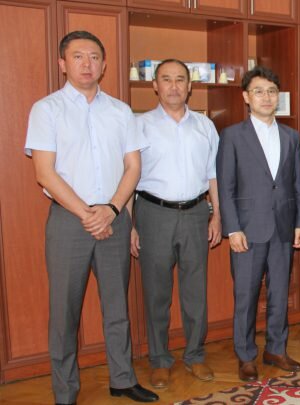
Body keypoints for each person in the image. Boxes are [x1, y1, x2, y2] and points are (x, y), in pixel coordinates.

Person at [24, 31, 158, 404]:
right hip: (70, 221)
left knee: (117, 306)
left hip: (114, 217)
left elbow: (133, 167)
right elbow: (44, 173)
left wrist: (111, 210)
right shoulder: (46, 109)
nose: (87, 64)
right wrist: (88, 214)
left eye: (95, 57)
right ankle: (65, 391)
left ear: (104, 64)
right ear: (62, 64)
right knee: (64, 311)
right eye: (78, 56)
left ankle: (122, 379)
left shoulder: (120, 111)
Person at [130, 59, 222, 389]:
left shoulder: (205, 126)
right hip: (154, 214)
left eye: (180, 79)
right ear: (155, 86)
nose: (173, 86)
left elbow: (213, 174)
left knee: (195, 291)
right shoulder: (138, 125)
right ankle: (159, 360)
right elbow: (129, 176)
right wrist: (130, 225)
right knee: (157, 292)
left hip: (196, 212)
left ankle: (195, 355)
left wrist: (217, 215)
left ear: (190, 86)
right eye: (166, 79)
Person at [217, 66, 300, 381]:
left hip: (283, 228)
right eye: (258, 91)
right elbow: (225, 187)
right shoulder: (232, 136)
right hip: (247, 230)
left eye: (271, 91)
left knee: (279, 293)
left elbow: (299, 184)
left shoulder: (291, 136)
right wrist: (232, 228)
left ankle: (276, 349)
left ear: (278, 97)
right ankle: (246, 356)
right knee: (246, 296)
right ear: (246, 97)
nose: (266, 97)